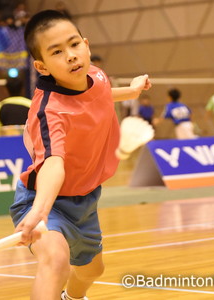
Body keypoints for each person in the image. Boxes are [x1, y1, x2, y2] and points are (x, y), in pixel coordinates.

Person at [9, 10, 151, 300]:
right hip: (46, 201)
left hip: (85, 202)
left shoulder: (95, 75)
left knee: (91, 271)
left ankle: (72, 298)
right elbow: (54, 162)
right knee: (56, 262)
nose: (71, 55)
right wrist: (39, 212)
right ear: (42, 66)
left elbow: (100, 93)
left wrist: (133, 91)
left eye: (74, 45)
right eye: (57, 52)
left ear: (85, 44)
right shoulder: (48, 111)